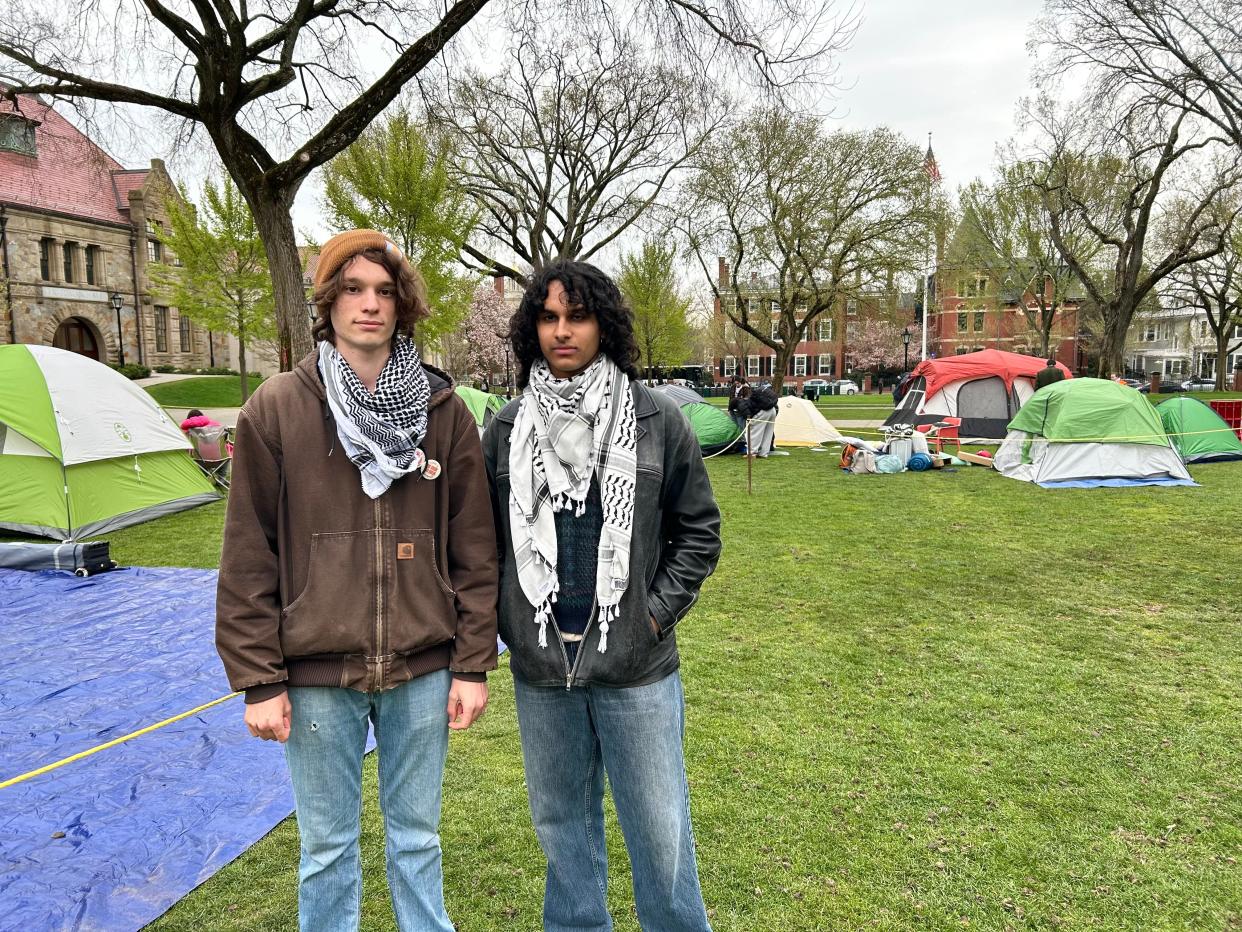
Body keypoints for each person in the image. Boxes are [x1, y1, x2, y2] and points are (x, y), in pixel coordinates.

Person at [215, 229, 498, 932]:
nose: (369, 305)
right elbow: (250, 553)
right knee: (326, 849)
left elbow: (475, 551)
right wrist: (260, 678)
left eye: (383, 291)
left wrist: (471, 665)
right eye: (352, 289)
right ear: (328, 301)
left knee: (417, 842)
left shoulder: (444, 412)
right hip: (315, 674)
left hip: (423, 670)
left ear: (403, 305)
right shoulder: (277, 407)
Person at [483, 260, 722, 932]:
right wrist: (505, 623)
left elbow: (698, 534)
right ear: (534, 327)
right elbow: (484, 544)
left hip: (635, 666)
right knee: (563, 832)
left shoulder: (656, 421)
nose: (563, 331)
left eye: (578, 316)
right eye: (549, 317)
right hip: (540, 666)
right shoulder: (505, 428)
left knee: (660, 832)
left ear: (604, 325)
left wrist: (650, 617)